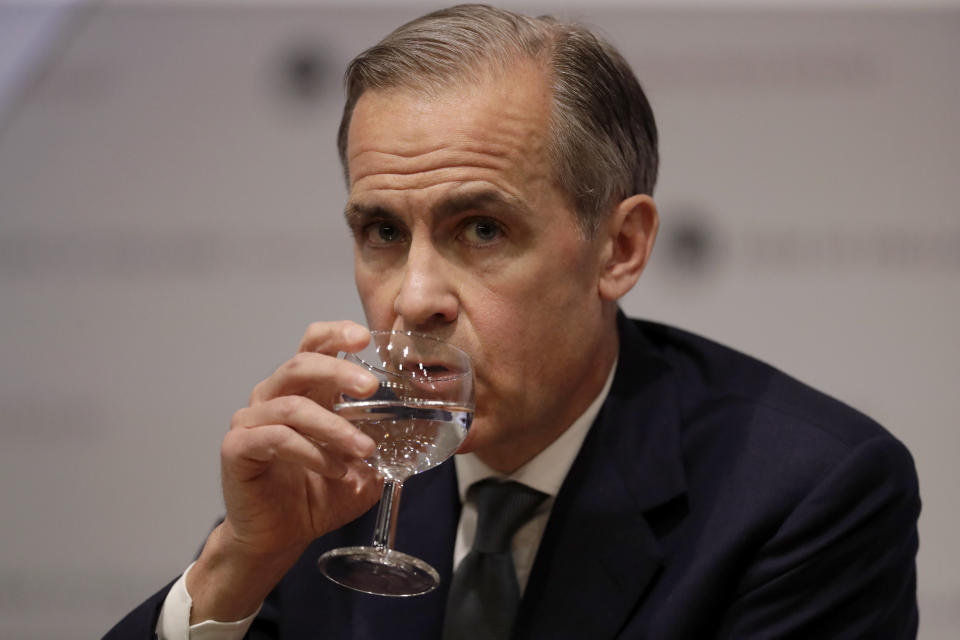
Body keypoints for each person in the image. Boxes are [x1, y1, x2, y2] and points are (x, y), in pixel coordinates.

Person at [106, 4, 920, 639]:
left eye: (483, 229)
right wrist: (237, 569)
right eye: (383, 232)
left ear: (620, 248)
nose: (412, 298)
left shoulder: (806, 495)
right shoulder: (334, 477)